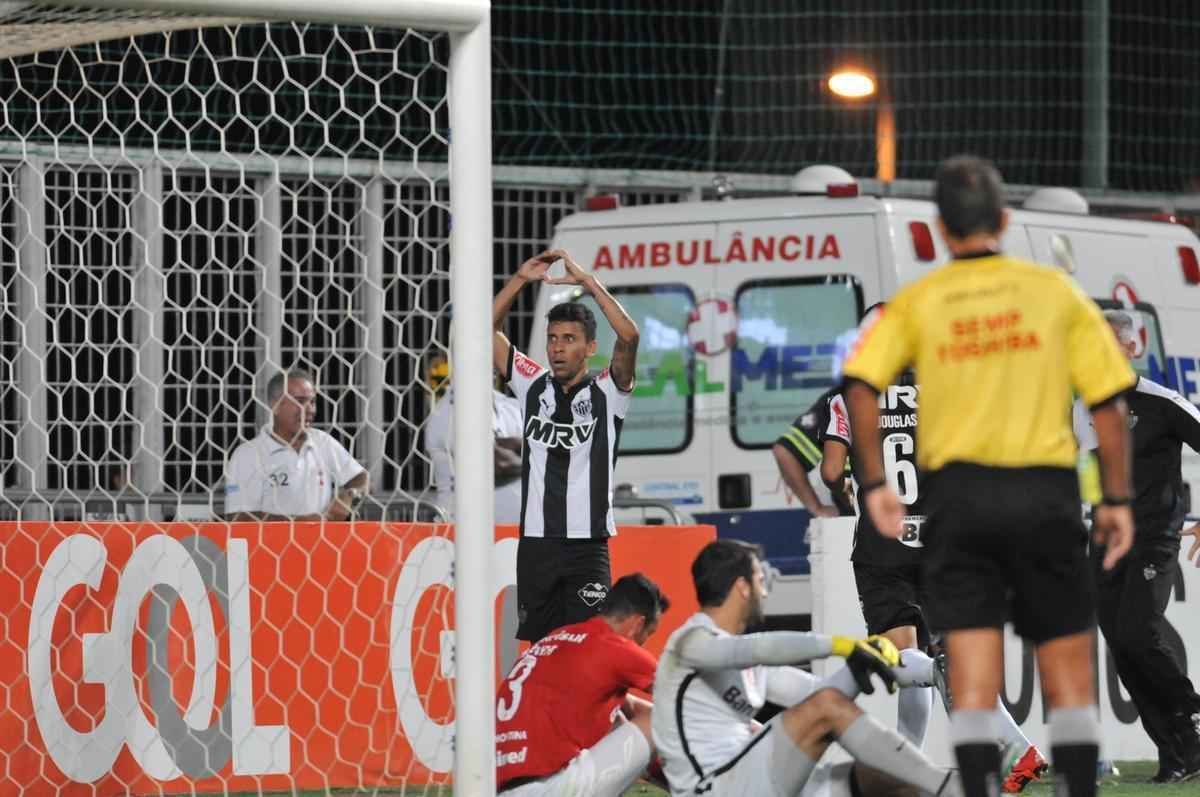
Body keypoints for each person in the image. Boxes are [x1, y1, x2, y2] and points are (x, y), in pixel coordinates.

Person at [840, 155, 1136, 797]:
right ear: (1004, 219)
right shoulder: (1053, 293)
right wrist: (1116, 497)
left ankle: (976, 784)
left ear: (943, 231)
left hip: (962, 503)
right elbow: (1110, 400)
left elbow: (860, 386)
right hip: (1046, 495)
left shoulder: (920, 303)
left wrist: (874, 486)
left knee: (967, 666)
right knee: (1064, 659)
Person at [820, 355, 1046, 792]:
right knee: (945, 658)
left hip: (883, 549)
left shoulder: (849, 397)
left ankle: (912, 765)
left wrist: (842, 486)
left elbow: (831, 470)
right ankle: (1013, 750)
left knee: (908, 657)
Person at [652, 538, 963, 797]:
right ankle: (950, 786)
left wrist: (860, 665)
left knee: (891, 781)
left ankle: (945, 785)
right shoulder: (690, 641)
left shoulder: (746, 661)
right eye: (761, 580)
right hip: (714, 788)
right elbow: (756, 649)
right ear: (741, 587)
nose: (765, 591)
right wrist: (840, 645)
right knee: (828, 709)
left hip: (751, 780)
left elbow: (820, 695)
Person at [1076, 309, 1200, 783]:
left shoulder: (1163, 402)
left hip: (1154, 535)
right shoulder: (1083, 405)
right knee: (1121, 643)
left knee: (1138, 632)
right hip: (1106, 540)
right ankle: (1172, 753)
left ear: (1133, 349)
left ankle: (1191, 719)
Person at [492, 249, 640, 643]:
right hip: (537, 544)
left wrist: (589, 283)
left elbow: (629, 336)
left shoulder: (609, 391)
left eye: (569, 340)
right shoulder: (531, 383)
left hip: (587, 547)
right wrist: (520, 279)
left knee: (589, 649)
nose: (557, 348)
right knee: (541, 651)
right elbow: (481, 331)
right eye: (552, 339)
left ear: (590, 348)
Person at [494, 572, 669, 795]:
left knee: (615, 720)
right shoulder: (615, 647)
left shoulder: (558, 639)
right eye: (649, 634)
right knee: (666, 715)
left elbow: (631, 707)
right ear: (637, 624)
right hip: (552, 788)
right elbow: (686, 697)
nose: (643, 644)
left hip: (505, 789)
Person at [224, 368, 369, 521]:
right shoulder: (248, 454)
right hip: (273, 544)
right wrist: (304, 524)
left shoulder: (323, 442)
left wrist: (350, 496)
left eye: (312, 402)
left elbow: (361, 477)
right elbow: (239, 517)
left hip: (323, 543)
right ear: (276, 406)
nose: (310, 410)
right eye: (300, 401)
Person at [423, 353, 525, 524]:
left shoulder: (511, 407)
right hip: (460, 539)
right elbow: (494, 463)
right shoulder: (449, 413)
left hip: (515, 535)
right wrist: (545, 457)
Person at [772, 386, 851, 519]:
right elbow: (785, 452)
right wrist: (817, 509)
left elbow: (784, 452)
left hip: (859, 519)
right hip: (873, 516)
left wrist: (818, 509)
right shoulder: (842, 397)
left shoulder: (842, 397)